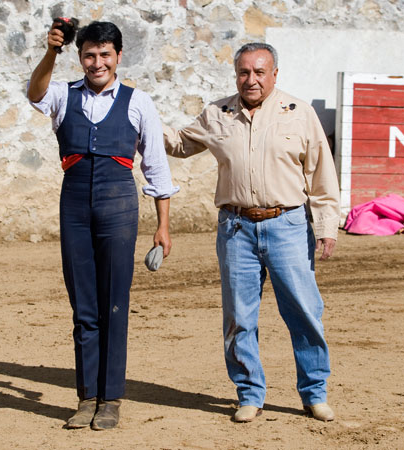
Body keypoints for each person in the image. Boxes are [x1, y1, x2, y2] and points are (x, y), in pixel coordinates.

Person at [162, 43, 339, 423]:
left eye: (260, 72)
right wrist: (140, 118)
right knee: (239, 316)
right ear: (236, 75)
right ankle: (249, 393)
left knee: (305, 313)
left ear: (275, 73)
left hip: (288, 225)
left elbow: (321, 174)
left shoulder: (300, 114)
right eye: (244, 72)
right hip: (235, 227)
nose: (251, 79)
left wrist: (326, 227)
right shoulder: (218, 113)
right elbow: (178, 144)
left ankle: (314, 393)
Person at [27, 21, 178, 430]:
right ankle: (86, 397)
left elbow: (156, 166)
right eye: (90, 55)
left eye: (105, 55)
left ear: (118, 57)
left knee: (114, 303)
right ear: (80, 57)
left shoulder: (138, 101)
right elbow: (34, 92)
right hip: (74, 202)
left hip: (118, 203)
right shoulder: (63, 94)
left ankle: (110, 399)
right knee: (83, 306)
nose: (97, 62)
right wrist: (51, 51)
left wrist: (163, 225)